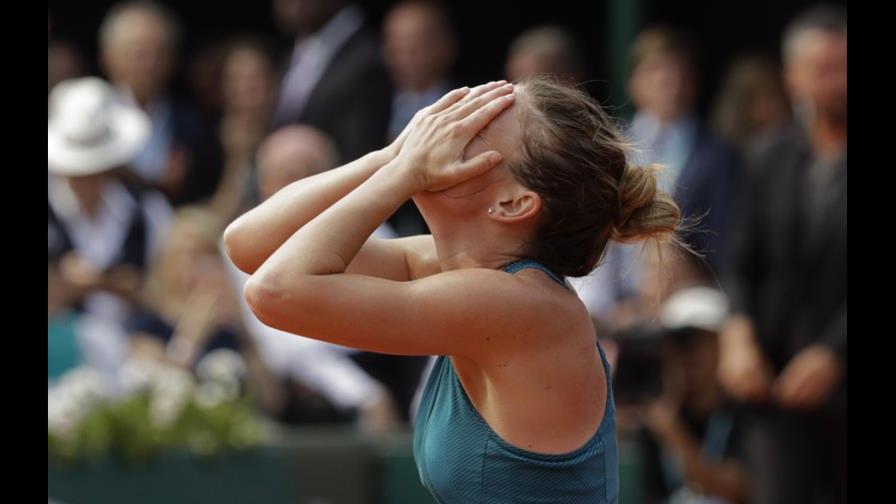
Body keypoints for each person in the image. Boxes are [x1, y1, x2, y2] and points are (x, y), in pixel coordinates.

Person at [225, 78, 683, 502]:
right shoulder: (459, 273)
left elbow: (274, 291)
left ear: (513, 202)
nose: (444, 126)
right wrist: (390, 157)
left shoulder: (518, 307)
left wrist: (404, 173)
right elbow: (249, 246)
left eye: (476, 126)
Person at [719, 5, 847, 503]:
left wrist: (834, 354)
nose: (838, 82)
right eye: (824, 69)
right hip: (770, 385)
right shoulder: (767, 155)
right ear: (792, 76)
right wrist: (737, 332)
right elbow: (739, 256)